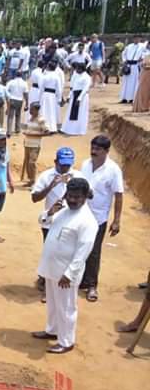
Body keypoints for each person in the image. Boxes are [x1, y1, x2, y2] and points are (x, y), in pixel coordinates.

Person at [33, 177, 98, 354]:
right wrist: (49, 212)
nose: (72, 200)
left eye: (77, 197)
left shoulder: (87, 220)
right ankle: (52, 331)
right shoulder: (63, 211)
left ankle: (67, 341)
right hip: (52, 268)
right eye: (70, 195)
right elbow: (43, 222)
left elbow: (83, 251)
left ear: (85, 197)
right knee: (53, 304)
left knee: (67, 308)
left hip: (66, 274)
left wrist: (69, 274)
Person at [31, 147, 84, 293]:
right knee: (50, 252)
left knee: (66, 253)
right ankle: (45, 279)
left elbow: (89, 195)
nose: (66, 167)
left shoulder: (78, 176)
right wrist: (51, 185)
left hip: (71, 223)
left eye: (68, 164)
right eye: (62, 164)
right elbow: (35, 198)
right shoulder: (46, 176)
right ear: (55, 162)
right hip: (50, 222)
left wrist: (72, 185)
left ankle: (59, 281)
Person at [80, 135, 124, 302]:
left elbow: (119, 195)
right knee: (79, 247)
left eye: (98, 149)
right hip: (81, 213)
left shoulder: (113, 170)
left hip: (98, 217)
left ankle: (92, 285)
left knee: (94, 252)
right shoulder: (85, 164)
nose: (93, 151)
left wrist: (117, 220)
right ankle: (82, 280)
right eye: (92, 147)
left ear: (106, 151)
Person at [21, 103, 49, 185]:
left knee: (32, 163)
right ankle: (30, 180)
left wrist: (32, 134)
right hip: (27, 144)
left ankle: (34, 181)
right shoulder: (30, 119)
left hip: (35, 145)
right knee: (27, 163)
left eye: (32, 109)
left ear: (36, 110)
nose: (30, 111)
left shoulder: (41, 120)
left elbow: (47, 132)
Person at [62, 64, 92, 136]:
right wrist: (69, 96)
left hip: (82, 97)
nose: (76, 70)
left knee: (79, 114)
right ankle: (69, 129)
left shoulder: (87, 77)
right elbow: (73, 87)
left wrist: (79, 98)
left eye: (78, 69)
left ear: (82, 69)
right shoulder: (76, 76)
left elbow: (85, 89)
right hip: (74, 95)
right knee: (71, 113)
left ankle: (78, 130)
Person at [38, 60, 64, 133]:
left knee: (44, 111)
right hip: (53, 96)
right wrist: (59, 98)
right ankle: (52, 128)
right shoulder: (56, 77)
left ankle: (44, 127)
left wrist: (39, 98)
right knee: (52, 112)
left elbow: (41, 88)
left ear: (48, 67)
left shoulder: (45, 76)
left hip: (45, 95)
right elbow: (59, 89)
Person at [120, 35, 145, 103]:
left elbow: (145, 54)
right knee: (125, 82)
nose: (136, 39)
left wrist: (142, 58)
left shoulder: (142, 46)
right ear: (133, 39)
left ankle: (132, 98)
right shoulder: (129, 46)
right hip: (128, 65)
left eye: (138, 38)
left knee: (134, 82)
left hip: (135, 65)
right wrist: (124, 60)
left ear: (140, 39)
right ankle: (124, 98)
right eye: (135, 38)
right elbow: (123, 53)